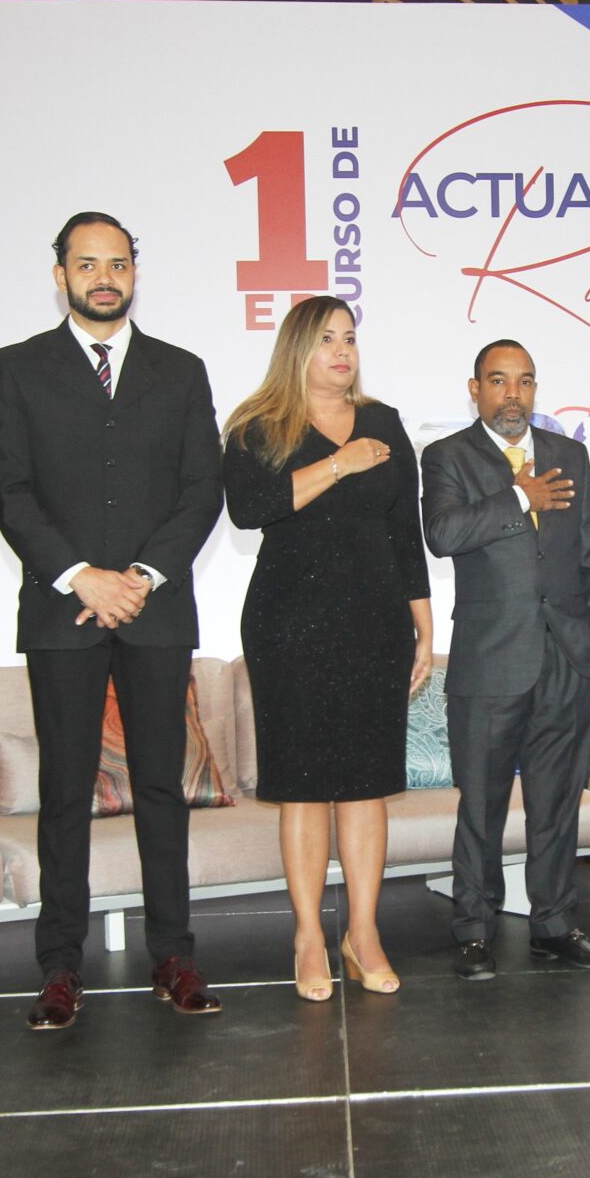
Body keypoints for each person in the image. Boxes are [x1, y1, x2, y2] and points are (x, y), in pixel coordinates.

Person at [0, 212, 225, 1028]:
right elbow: (9, 488)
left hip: (156, 610)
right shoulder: (18, 368)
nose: (104, 277)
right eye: (87, 264)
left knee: (161, 787)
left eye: (117, 263)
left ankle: (174, 955)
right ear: (60, 275)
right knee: (63, 790)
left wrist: (143, 576)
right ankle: (60, 966)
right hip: (64, 609)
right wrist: (81, 575)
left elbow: (202, 489)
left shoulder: (180, 370)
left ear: (134, 273)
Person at [222, 298, 433, 1001]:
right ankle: (309, 936)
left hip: (376, 623)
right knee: (305, 786)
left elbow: (405, 534)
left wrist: (425, 625)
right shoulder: (258, 425)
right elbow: (250, 509)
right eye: (326, 340)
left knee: (368, 784)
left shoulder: (384, 422)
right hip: (289, 624)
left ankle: (362, 934)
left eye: (349, 338)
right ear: (297, 350)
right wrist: (339, 464)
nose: (342, 351)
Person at [420, 340, 590, 979]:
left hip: (567, 657)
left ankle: (554, 925)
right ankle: (475, 929)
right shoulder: (448, 456)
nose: (513, 395)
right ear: (475, 389)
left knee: (557, 803)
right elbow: (443, 534)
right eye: (499, 381)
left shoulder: (569, 455)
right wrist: (518, 497)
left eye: (525, 382)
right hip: (490, 659)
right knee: (480, 806)